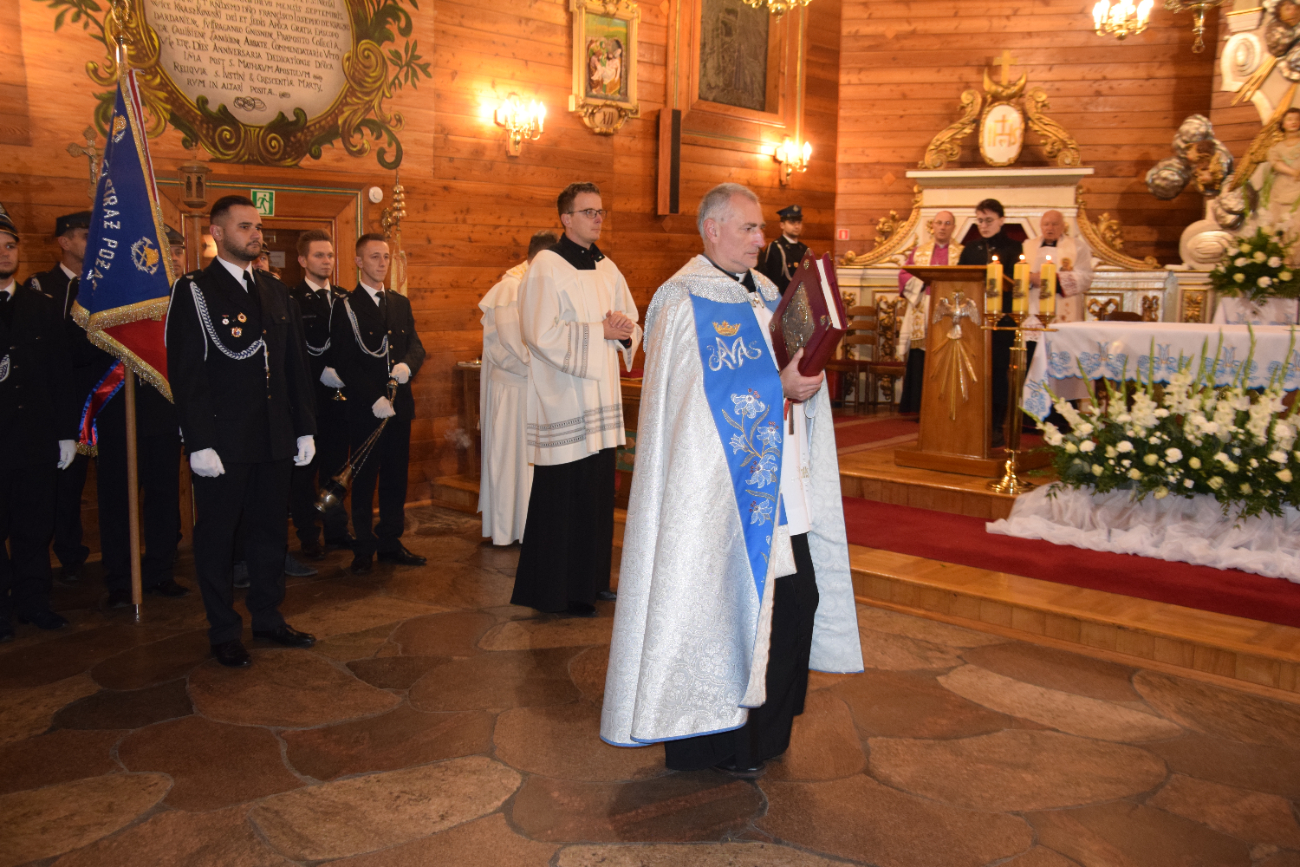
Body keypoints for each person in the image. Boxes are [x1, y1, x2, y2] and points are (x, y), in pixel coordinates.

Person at [601, 183, 863, 776]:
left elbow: (778, 366)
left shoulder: (770, 290)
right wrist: (781, 387)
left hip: (778, 488)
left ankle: (764, 739)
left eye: (761, 228)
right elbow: (696, 405)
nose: (760, 238)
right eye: (748, 228)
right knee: (716, 607)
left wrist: (804, 378)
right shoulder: (681, 299)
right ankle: (715, 742)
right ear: (712, 229)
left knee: (796, 604)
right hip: (716, 501)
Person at [165, 195, 318, 668]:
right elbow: (187, 373)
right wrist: (199, 441)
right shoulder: (195, 290)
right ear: (216, 233)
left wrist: (304, 428)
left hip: (274, 436)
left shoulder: (275, 291)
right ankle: (223, 629)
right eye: (246, 226)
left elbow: (295, 368)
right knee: (218, 537)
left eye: (259, 227)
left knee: (271, 532)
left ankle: (268, 617)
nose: (256, 234)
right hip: (225, 442)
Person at [513, 183, 640, 616]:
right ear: (566, 218)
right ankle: (555, 590)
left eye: (601, 212)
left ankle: (591, 581)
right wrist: (597, 332)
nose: (597, 219)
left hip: (601, 399)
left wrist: (624, 329)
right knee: (563, 495)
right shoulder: (547, 266)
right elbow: (538, 332)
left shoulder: (607, 266)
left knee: (597, 493)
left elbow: (629, 320)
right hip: (565, 398)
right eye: (588, 212)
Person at [0, 204, 78, 639]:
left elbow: (60, 375)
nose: (4, 254)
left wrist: (67, 433)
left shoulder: (41, 306)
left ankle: (34, 602)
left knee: (33, 527)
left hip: (34, 439)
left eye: (10, 246)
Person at [330, 233, 426, 575]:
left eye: (385, 257)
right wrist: (373, 398)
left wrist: (408, 366)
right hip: (366, 409)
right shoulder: (346, 306)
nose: (381, 263)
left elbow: (416, 346)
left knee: (395, 478)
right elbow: (344, 361)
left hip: (399, 407)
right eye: (373, 257)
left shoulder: (399, 303)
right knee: (365, 478)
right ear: (358, 262)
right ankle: (363, 546)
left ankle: (389, 542)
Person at [26, 210, 92, 584]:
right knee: (65, 485)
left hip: (105, 395)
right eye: (84, 235)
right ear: (64, 241)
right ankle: (67, 556)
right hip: (64, 399)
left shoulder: (103, 286)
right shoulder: (42, 286)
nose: (91, 242)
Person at [478, 230, 556, 546]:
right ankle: (509, 529)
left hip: (531, 388)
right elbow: (513, 347)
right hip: (514, 392)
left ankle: (529, 527)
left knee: (530, 463)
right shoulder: (510, 288)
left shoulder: (538, 286)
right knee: (513, 461)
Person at [288, 229, 354, 558]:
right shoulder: (290, 300)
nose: (326, 261)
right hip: (307, 401)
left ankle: (336, 529)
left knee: (336, 469)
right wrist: (319, 373)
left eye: (329, 255)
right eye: (318, 255)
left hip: (339, 401)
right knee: (303, 474)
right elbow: (292, 354)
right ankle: (308, 534)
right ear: (302, 260)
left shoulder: (344, 298)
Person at [958, 199, 1024, 445]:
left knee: (997, 374)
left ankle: (996, 425)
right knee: (971, 371)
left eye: (988, 220)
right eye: (979, 220)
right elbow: (960, 280)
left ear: (1001, 220)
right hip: (972, 319)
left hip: (1003, 320)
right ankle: (970, 421)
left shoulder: (1015, 247)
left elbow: (1017, 282)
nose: (983, 225)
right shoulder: (970, 248)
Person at [895, 211, 962, 414]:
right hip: (923, 305)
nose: (942, 227)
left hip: (950, 311)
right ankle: (920, 406)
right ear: (932, 226)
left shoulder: (962, 253)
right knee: (921, 356)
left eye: (947, 223)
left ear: (953, 227)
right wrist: (923, 281)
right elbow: (904, 274)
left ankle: (946, 406)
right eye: (939, 223)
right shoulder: (920, 251)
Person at [1024, 210, 1092, 325]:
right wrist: (1030, 278)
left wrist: (1052, 280)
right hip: (1033, 305)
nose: (1050, 228)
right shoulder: (1027, 246)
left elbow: (1085, 276)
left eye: (1055, 224)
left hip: (1062, 305)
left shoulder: (1077, 247)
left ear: (1063, 226)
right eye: (1046, 224)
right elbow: (1016, 273)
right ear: (1041, 226)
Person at [1260, 107, 1300, 247]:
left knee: (1297, 227)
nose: (1293, 122)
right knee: (1279, 226)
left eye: (1297, 119)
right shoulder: (1275, 148)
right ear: (1283, 124)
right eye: (1289, 119)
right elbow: (1276, 163)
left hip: (1298, 190)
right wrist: (1293, 172)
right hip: (1281, 188)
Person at [757, 204, 809, 295]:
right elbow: (771, 280)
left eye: (799, 222)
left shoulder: (804, 249)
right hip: (782, 300)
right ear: (782, 225)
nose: (796, 226)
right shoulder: (775, 247)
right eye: (792, 222)